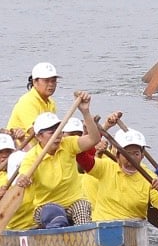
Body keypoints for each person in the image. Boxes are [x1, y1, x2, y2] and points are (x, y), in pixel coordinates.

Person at [14, 91, 100, 228]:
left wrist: (85, 112)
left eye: (59, 130)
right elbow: (24, 176)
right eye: (51, 132)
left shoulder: (68, 144)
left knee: (83, 207)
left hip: (74, 201)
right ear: (39, 136)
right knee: (54, 214)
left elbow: (94, 139)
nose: (58, 135)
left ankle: (85, 241)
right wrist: (23, 180)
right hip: (46, 206)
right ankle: (59, 241)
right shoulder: (31, 157)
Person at [89, 127, 158, 222]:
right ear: (118, 155)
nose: (131, 159)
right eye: (127, 154)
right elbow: (82, 159)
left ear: (142, 156)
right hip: (102, 223)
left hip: (132, 226)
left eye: (136, 154)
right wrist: (94, 146)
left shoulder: (150, 178)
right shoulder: (106, 165)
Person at [6, 62, 60, 142]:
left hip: (41, 146)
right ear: (35, 82)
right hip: (22, 148)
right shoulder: (27, 101)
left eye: (53, 81)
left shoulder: (51, 102)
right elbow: (36, 133)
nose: (51, 84)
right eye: (46, 81)